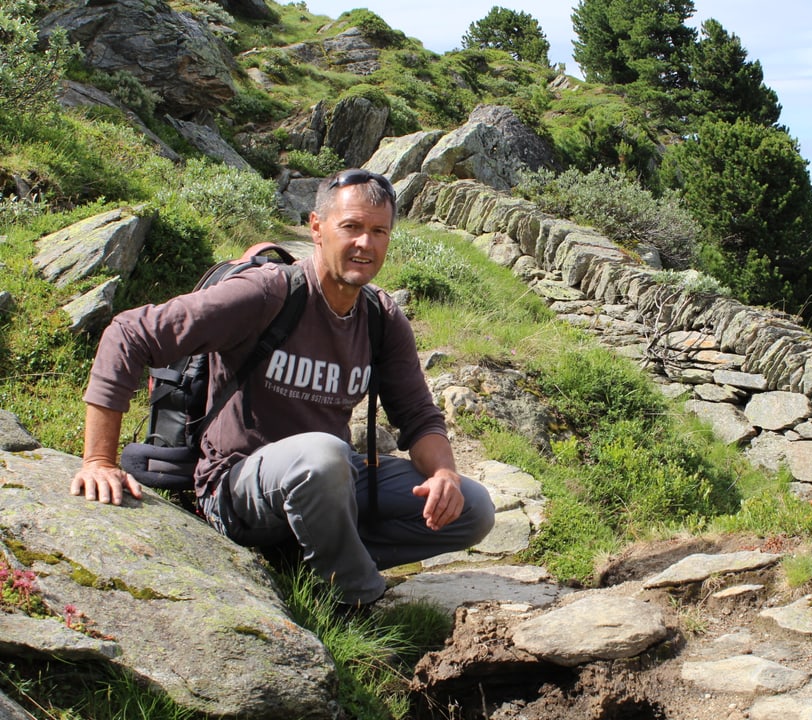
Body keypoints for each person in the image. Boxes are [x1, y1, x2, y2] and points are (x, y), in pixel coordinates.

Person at [70, 169, 496, 606]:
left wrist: (444, 474)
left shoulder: (381, 318)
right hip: (235, 486)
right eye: (350, 227)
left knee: (473, 508)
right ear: (317, 227)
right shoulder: (267, 293)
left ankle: (313, 562)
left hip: (327, 480)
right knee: (324, 455)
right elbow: (130, 333)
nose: (364, 244)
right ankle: (356, 598)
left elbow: (419, 416)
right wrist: (99, 460)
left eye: (378, 231)